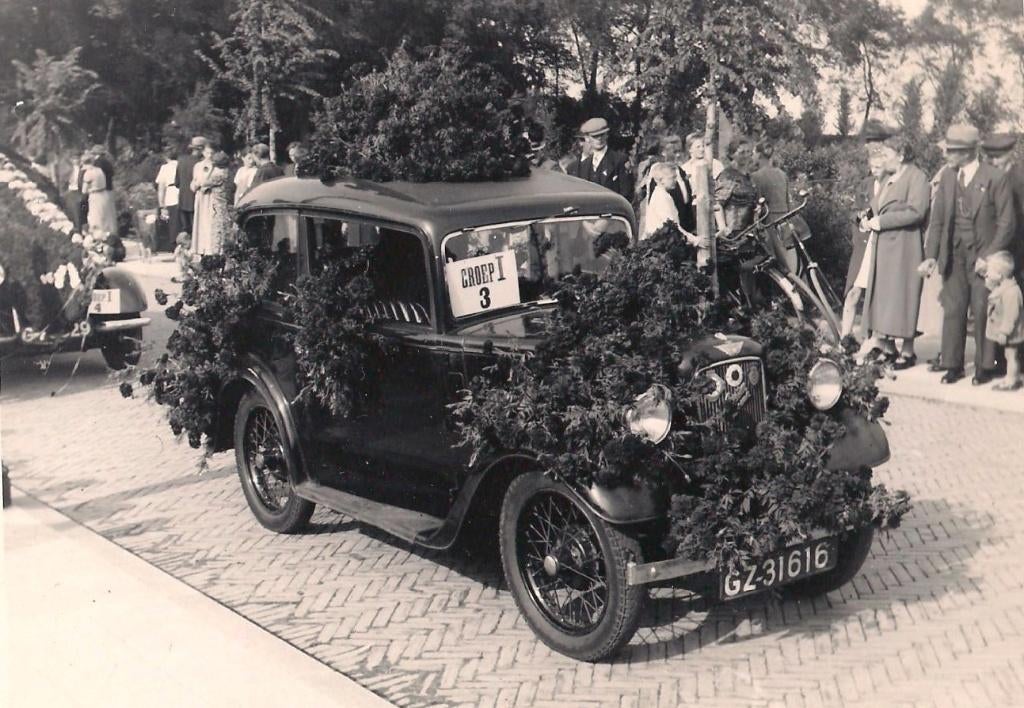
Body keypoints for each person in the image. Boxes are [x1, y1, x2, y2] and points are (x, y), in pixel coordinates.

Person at [918, 124, 1017, 385]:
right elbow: (937, 220)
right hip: (954, 254)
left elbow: (1007, 222)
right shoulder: (949, 177)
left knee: (983, 307)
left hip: (984, 255)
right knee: (954, 308)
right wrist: (931, 255)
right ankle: (953, 364)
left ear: (968, 152)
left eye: (953, 151)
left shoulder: (994, 178)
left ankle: (985, 366)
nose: (948, 155)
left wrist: (991, 254)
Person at [859, 135, 930, 369]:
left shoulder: (917, 178)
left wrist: (882, 222)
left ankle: (908, 351)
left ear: (901, 155)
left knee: (904, 295)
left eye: (888, 155)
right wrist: (866, 219)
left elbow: (917, 212)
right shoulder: (889, 178)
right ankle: (888, 348)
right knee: (885, 296)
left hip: (904, 246)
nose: (884, 159)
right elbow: (876, 207)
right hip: (885, 247)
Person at [843, 150, 892, 340]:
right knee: (854, 290)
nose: (875, 171)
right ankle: (845, 337)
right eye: (872, 167)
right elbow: (853, 211)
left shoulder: (893, 185)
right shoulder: (866, 184)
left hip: (883, 244)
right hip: (864, 245)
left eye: (878, 167)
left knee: (878, 294)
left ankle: (876, 340)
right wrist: (859, 216)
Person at [981, 133, 1024, 280]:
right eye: (989, 157)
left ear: (1010, 155)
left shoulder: (1019, 179)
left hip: (1017, 253)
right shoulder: (990, 179)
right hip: (997, 252)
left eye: (998, 157)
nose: (993, 162)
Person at [636, 133, 695, 236]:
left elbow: (687, 199)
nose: (678, 155)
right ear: (664, 153)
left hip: (684, 225)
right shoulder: (658, 171)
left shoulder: (680, 171)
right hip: (666, 230)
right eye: (674, 152)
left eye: (679, 152)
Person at [983, 251, 1024, 391]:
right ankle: (1013, 377)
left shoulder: (1011, 292)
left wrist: (1004, 332)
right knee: (1009, 355)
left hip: (1012, 332)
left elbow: (1011, 316)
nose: (987, 273)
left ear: (1000, 275)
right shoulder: (1003, 288)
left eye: (990, 271)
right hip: (1010, 332)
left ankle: (1012, 380)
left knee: (1011, 355)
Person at [565, 118, 633, 200]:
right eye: (595, 136)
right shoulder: (583, 165)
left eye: (602, 135)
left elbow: (626, 195)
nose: (599, 139)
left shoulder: (619, 160)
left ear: (607, 135)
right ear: (587, 138)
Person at [190, 143, 219, 255]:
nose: (210, 155)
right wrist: (195, 185)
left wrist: (205, 184)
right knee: (200, 220)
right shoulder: (198, 166)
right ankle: (199, 247)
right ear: (203, 153)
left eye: (212, 153)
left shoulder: (216, 166)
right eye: (207, 153)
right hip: (200, 197)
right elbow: (194, 180)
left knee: (209, 220)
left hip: (211, 196)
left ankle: (209, 248)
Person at [81, 153, 118, 236]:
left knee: (96, 218)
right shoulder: (99, 170)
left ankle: (99, 237)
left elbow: (84, 190)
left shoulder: (88, 173)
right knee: (106, 217)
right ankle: (110, 235)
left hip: (95, 196)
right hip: (104, 194)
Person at [175, 136, 205, 235]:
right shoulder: (202, 163)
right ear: (202, 149)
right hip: (197, 200)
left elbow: (177, 183)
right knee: (197, 230)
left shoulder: (181, 160)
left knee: (185, 230)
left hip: (183, 199)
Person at [154, 144, 179, 253]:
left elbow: (161, 188)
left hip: (171, 194)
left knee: (172, 222)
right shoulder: (180, 165)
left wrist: (161, 205)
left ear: (165, 157)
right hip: (182, 194)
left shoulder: (165, 168)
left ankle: (174, 245)